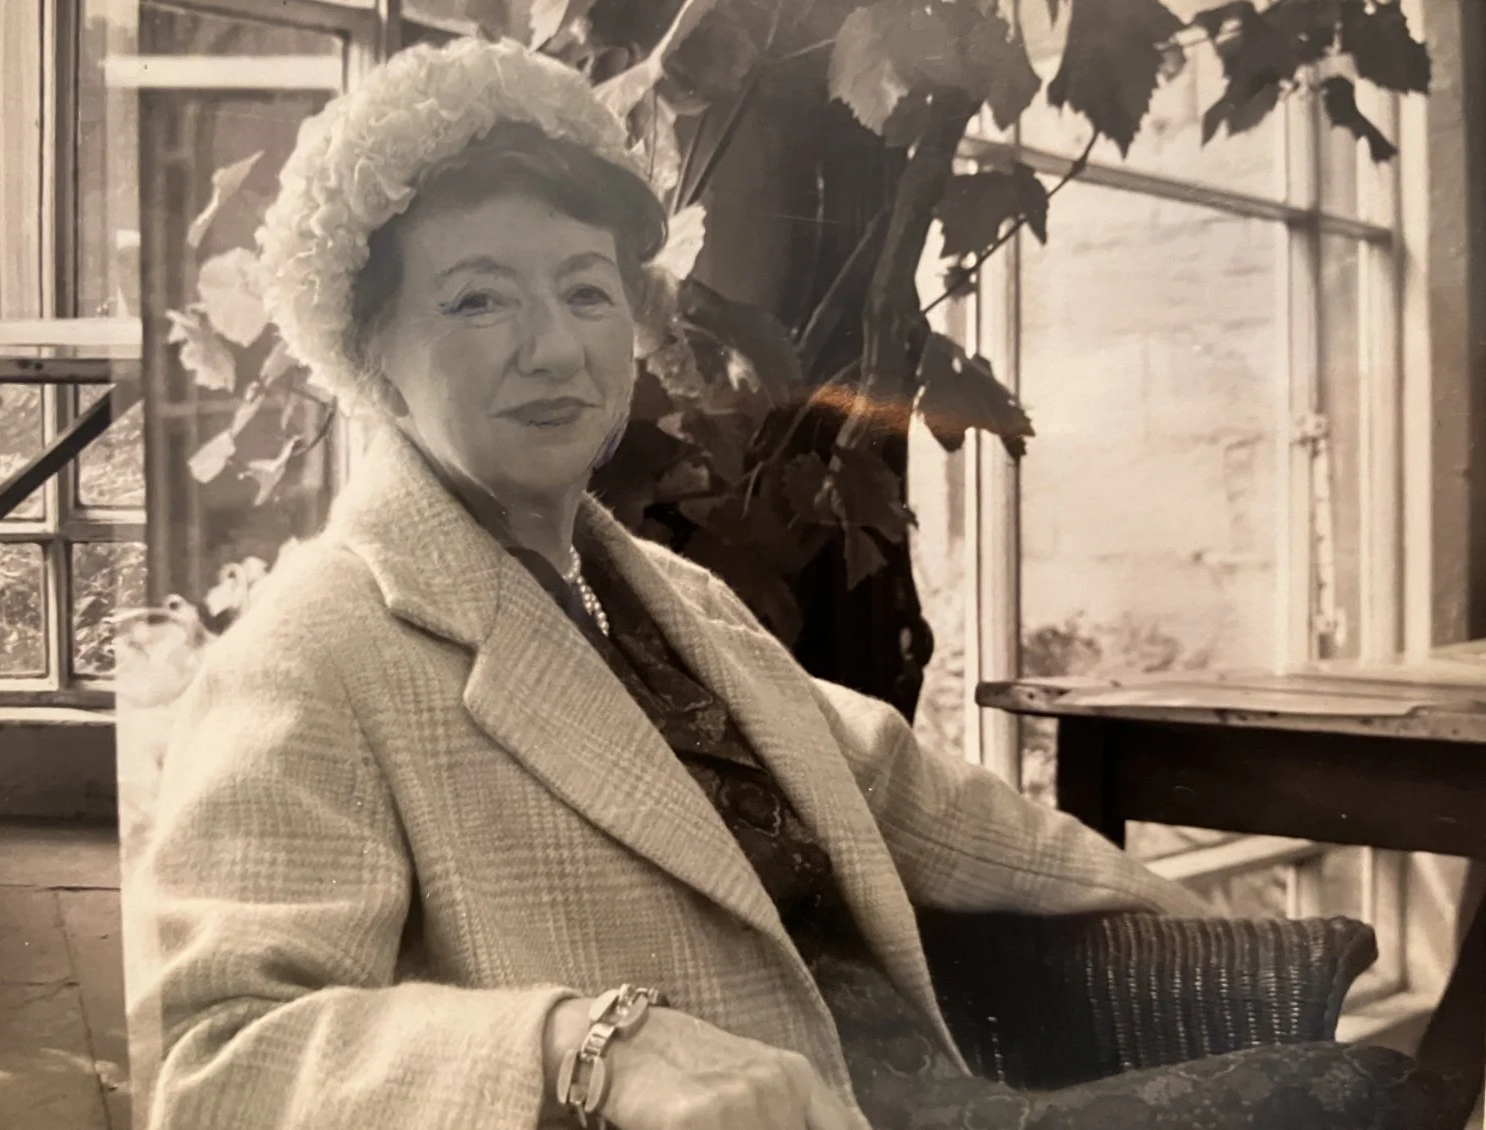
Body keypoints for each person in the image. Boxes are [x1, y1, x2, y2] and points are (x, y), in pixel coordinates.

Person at [135, 36, 1462, 1130]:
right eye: (480, 301)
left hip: (942, 1097)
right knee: (1369, 1098)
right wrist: (590, 1048)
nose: (555, 349)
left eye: (587, 293)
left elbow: (923, 802)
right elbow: (216, 1064)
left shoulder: (674, 603)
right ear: (367, 346)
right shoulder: (312, 653)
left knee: (1370, 1091)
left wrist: (1178, 918)